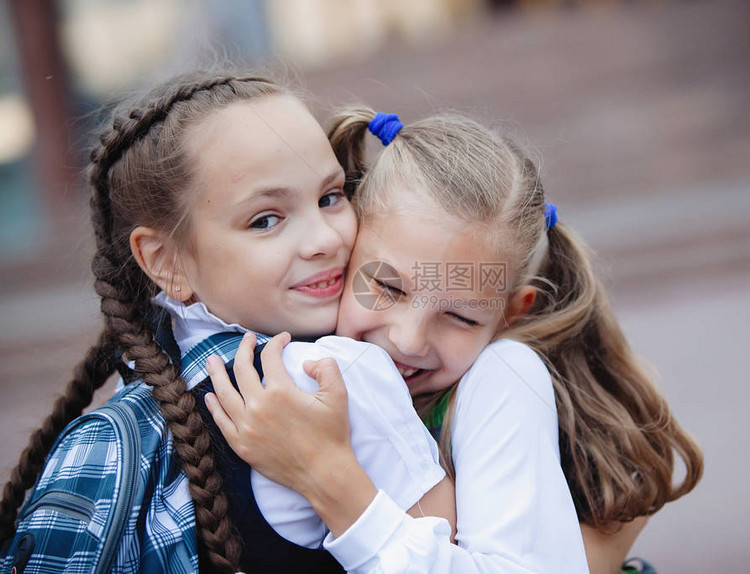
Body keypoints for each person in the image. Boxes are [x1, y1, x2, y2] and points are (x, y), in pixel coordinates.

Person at [206, 108, 704, 573]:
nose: (408, 339)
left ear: (511, 314)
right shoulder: (309, 361)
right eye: (387, 287)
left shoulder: (503, 379)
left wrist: (329, 478)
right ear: (347, 248)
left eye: (460, 317)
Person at [0, 72, 454, 574]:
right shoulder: (341, 374)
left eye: (331, 196)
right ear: (165, 261)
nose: (325, 238)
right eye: (266, 219)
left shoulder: (118, 424)